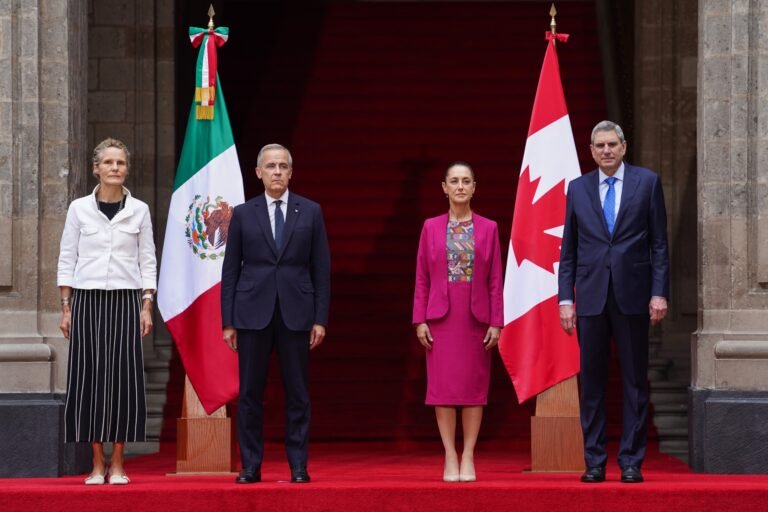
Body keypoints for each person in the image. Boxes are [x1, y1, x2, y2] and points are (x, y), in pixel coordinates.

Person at [558, 120, 670, 484]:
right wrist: (565, 298)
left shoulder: (647, 182)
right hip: (591, 297)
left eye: (612, 144)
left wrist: (659, 292)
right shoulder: (577, 188)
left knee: (634, 381)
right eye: (600, 146)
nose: (606, 150)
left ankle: (631, 461)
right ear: (591, 151)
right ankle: (594, 460)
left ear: (623, 147)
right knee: (592, 382)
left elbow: (659, 244)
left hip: (633, 295)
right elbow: (569, 249)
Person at [221, 143, 331, 484]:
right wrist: (228, 321)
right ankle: (251, 465)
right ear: (259, 172)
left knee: (297, 393)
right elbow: (230, 270)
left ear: (291, 172)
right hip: (252, 313)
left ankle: (298, 465)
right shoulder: (243, 213)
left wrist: (320, 318)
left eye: (283, 166)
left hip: (296, 313)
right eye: (271, 166)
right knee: (250, 394)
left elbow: (321, 268)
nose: (277, 172)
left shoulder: (310, 211)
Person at [57, 138, 157, 485]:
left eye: (121, 163)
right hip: (86, 300)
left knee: (123, 378)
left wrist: (147, 304)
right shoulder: (78, 209)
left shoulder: (139, 210)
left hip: (126, 300)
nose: (115, 168)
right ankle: (97, 463)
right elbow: (67, 257)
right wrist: (66, 307)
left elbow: (147, 259)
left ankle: (118, 462)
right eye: (109, 162)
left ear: (126, 169)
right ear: (96, 168)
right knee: (88, 377)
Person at [412, 162, 503, 482]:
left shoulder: (489, 228)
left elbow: (495, 279)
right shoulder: (430, 227)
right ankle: (450, 454)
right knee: (444, 390)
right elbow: (422, 277)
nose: (460, 186)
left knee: (473, 389)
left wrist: (497, 322)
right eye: (454, 181)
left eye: (466, 181)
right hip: (440, 318)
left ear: (474, 187)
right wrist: (419, 319)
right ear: (445, 187)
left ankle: (469, 455)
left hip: (476, 319)